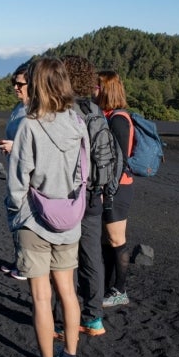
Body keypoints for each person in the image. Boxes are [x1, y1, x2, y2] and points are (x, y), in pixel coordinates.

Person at [5, 58, 89, 357]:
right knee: (68, 292)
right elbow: (84, 172)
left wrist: (16, 212)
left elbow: (18, 179)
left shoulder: (29, 126)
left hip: (34, 220)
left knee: (42, 298)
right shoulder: (78, 123)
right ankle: (70, 353)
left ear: (38, 84)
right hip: (69, 219)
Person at [62, 55, 107, 336]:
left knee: (63, 257)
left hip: (67, 194)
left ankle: (62, 315)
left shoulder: (65, 113)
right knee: (92, 257)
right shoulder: (96, 111)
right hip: (93, 195)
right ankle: (94, 317)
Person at [94, 70, 133, 307]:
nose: (92, 90)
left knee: (117, 239)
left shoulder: (118, 119)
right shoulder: (108, 116)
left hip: (117, 189)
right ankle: (109, 287)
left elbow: (119, 160)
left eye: (96, 87)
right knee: (107, 240)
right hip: (112, 188)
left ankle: (120, 290)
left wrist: (107, 191)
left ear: (106, 89)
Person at [0, 61, 30, 281]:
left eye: (20, 83)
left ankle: (26, 267)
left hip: (28, 175)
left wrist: (14, 147)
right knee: (16, 215)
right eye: (13, 83)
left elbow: (39, 146)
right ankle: (20, 261)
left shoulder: (36, 111)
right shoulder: (19, 109)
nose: (15, 87)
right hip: (15, 170)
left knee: (25, 218)